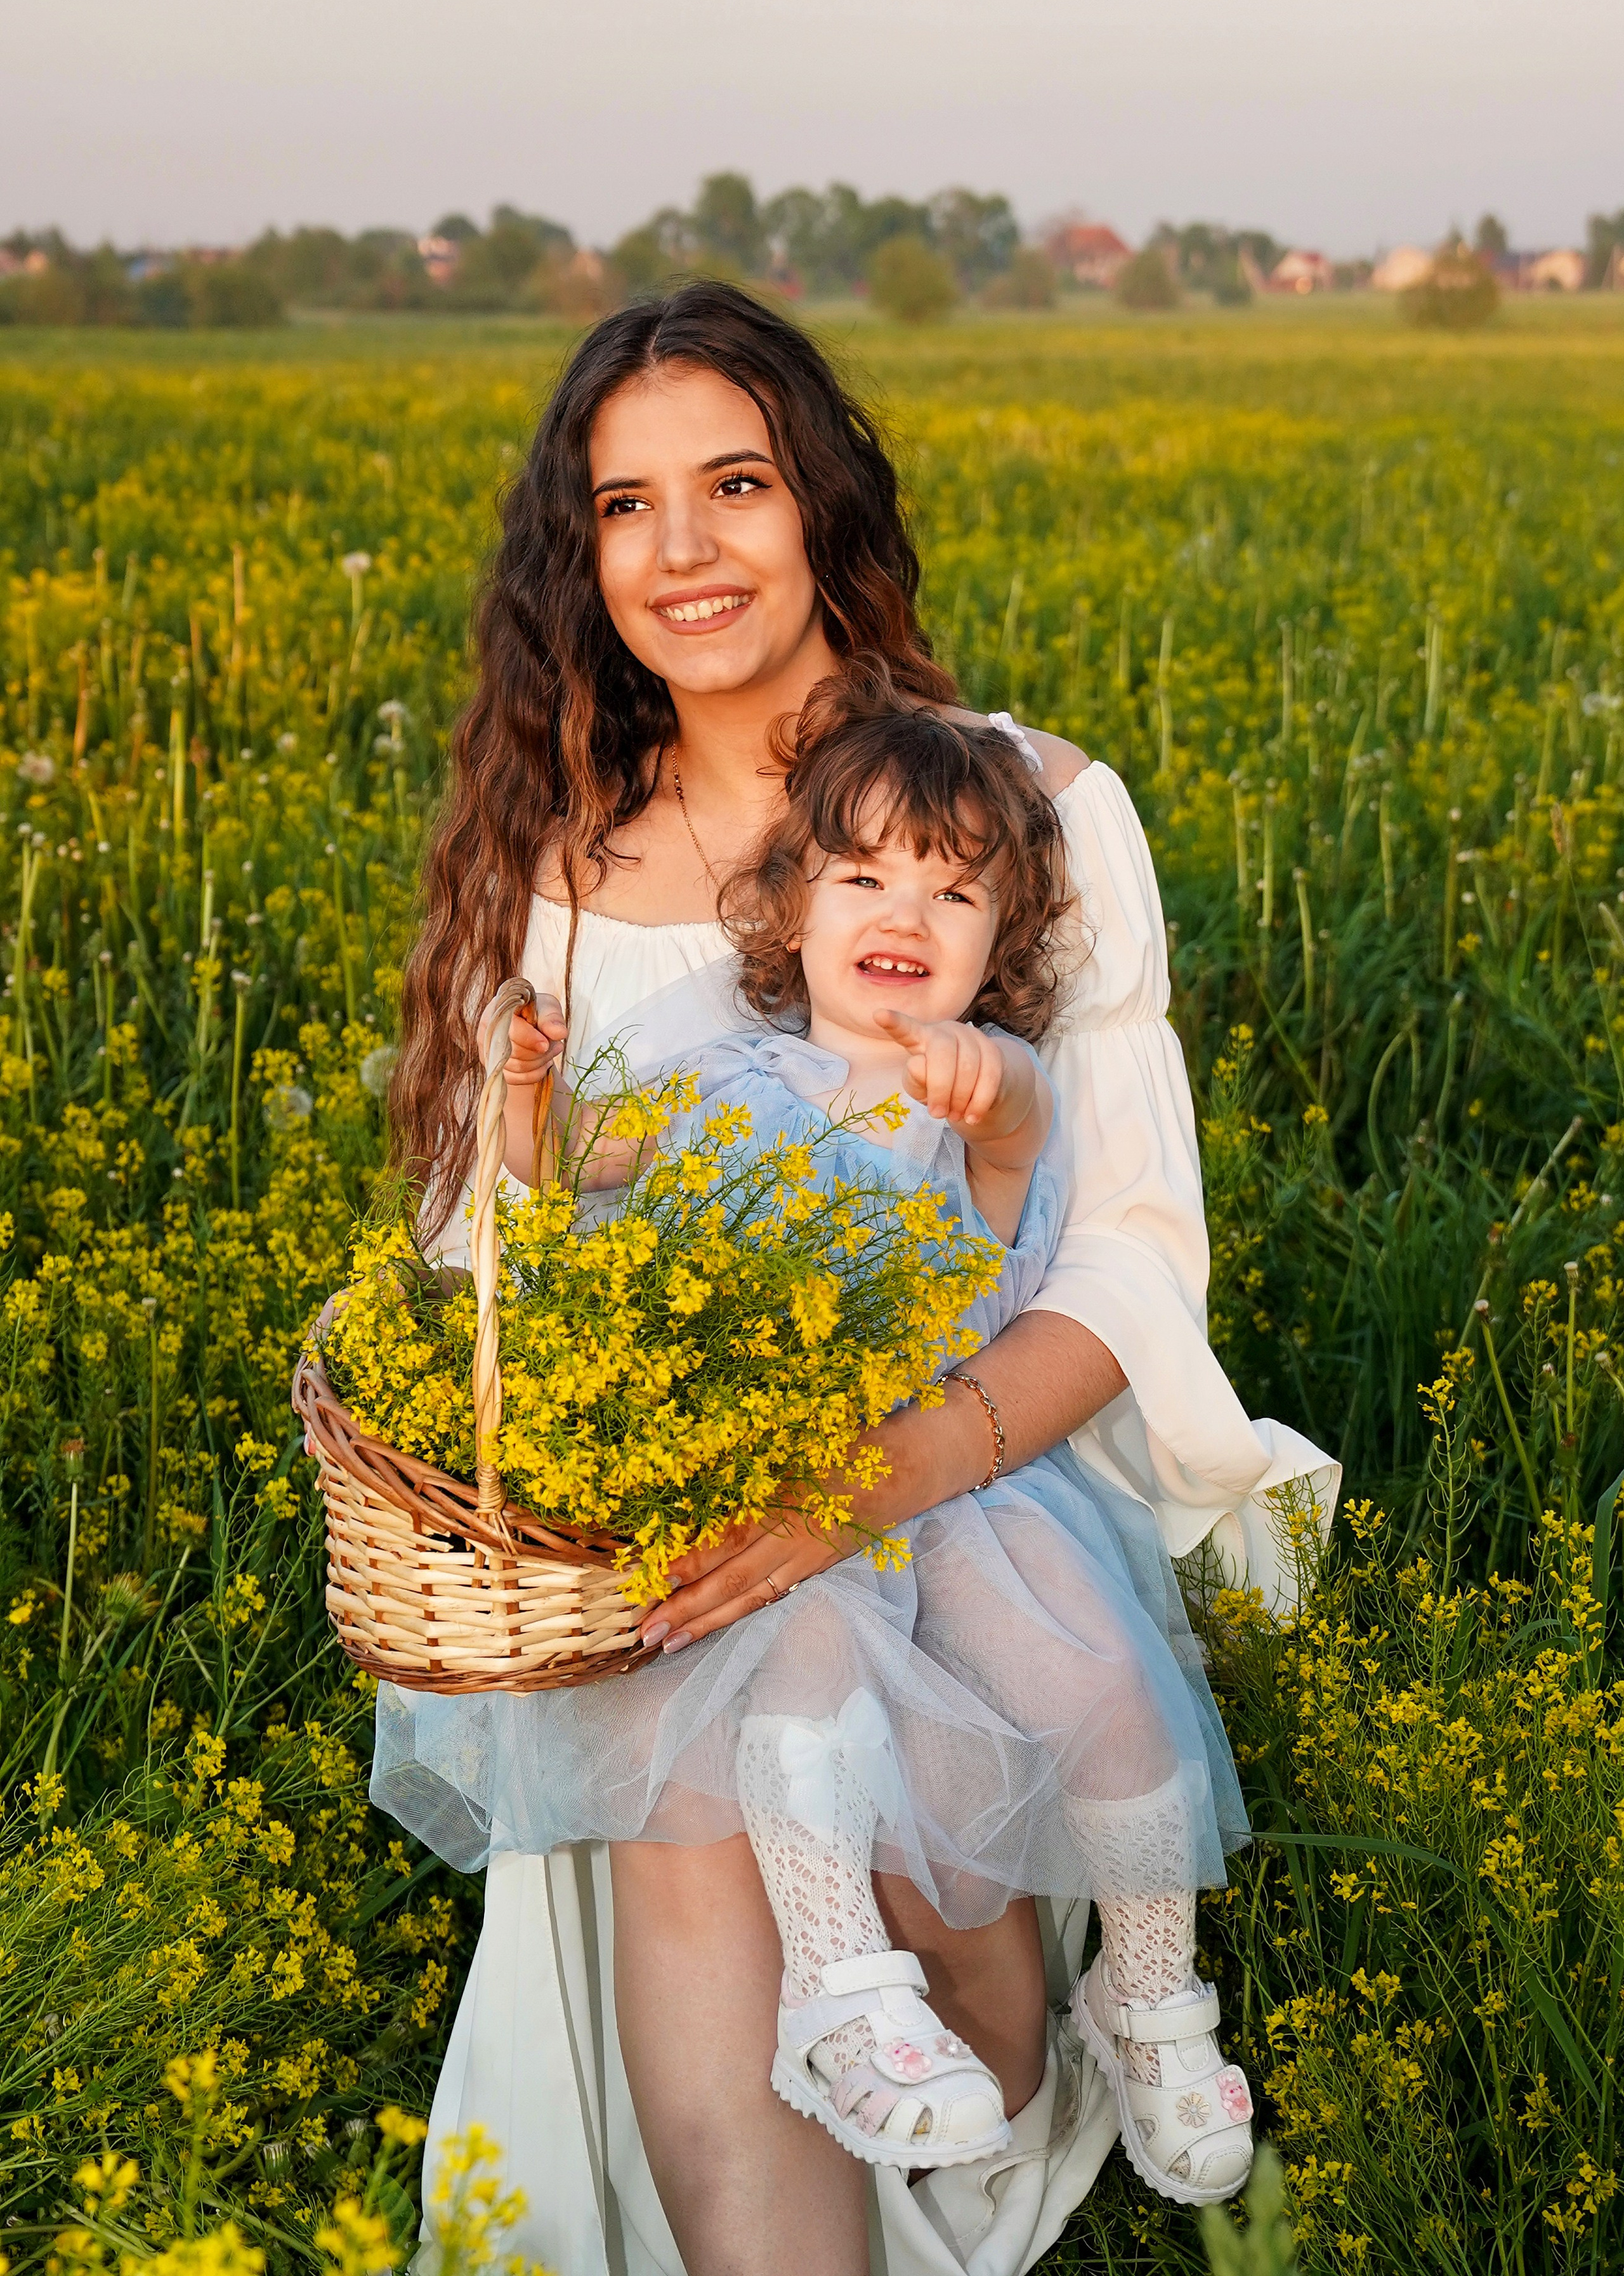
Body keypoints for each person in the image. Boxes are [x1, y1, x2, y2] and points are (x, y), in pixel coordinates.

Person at [382, 280, 1339, 2276]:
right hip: (675, 1550)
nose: (686, 552)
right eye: (626, 507)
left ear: (820, 502)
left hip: (963, 1491)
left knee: (971, 2021)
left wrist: (862, 1490)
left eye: (734, 484)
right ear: (584, 558)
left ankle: (1055, 2051)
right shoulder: (552, 861)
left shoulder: (1025, 811)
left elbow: (1131, 1256)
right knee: (699, 1814)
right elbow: (494, 1264)